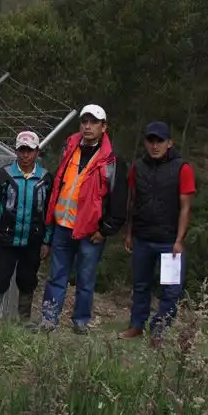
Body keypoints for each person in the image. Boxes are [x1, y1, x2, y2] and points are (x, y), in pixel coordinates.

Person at [39, 104, 128, 334]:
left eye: (94, 122)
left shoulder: (112, 161)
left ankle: (80, 321)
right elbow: (60, 183)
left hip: (91, 233)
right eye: (84, 121)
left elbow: (118, 201)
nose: (88, 126)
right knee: (57, 276)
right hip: (63, 226)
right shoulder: (70, 148)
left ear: (104, 126)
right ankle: (49, 319)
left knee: (85, 280)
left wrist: (105, 229)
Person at [120, 121, 196, 346]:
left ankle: (159, 331)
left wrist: (179, 240)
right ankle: (136, 326)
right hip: (142, 238)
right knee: (140, 285)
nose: (155, 146)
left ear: (169, 143)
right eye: (150, 141)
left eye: (160, 141)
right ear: (145, 142)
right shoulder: (137, 167)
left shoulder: (182, 168)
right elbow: (133, 201)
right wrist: (129, 233)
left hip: (169, 240)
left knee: (171, 290)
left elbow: (186, 207)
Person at [0, 131, 52, 332]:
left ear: (37, 152)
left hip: (33, 240)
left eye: (30, 150)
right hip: (5, 239)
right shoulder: (3, 174)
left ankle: (25, 320)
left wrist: (47, 240)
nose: (25, 155)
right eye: (22, 149)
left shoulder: (46, 178)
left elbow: (49, 212)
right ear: (16, 150)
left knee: (28, 280)